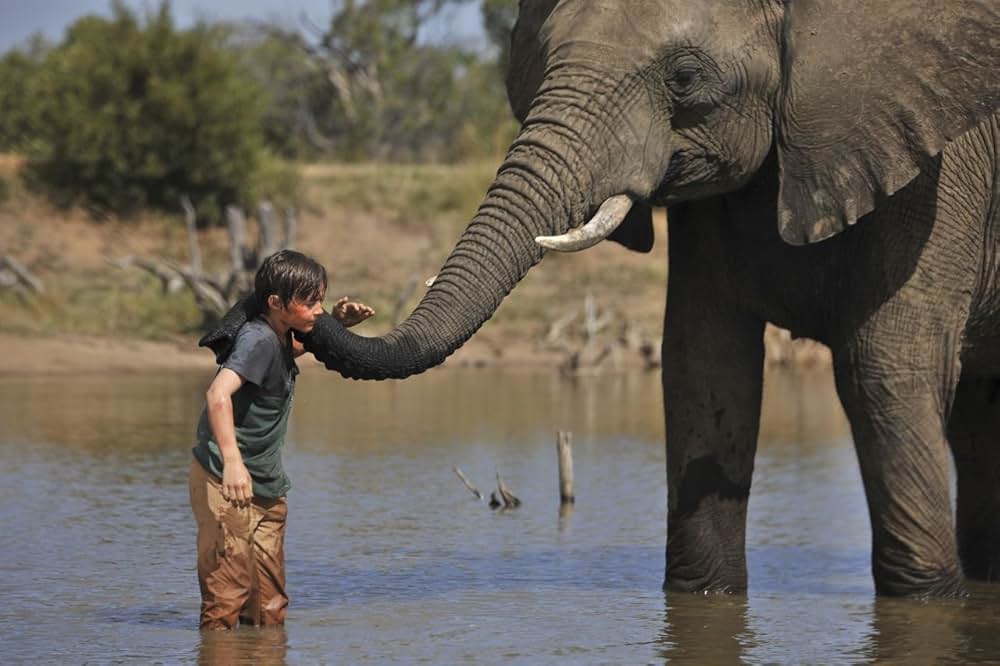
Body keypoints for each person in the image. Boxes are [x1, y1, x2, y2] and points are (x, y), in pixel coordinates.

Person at [189, 249, 374, 630]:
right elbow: (217, 395)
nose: (318, 309)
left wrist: (338, 325)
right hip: (227, 480)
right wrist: (233, 463)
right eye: (309, 302)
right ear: (276, 303)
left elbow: (286, 354)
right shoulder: (256, 338)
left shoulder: (274, 336)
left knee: (268, 604)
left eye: (320, 300)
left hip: (266, 484)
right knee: (227, 595)